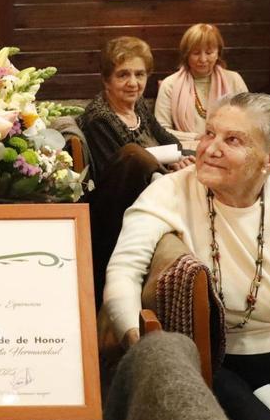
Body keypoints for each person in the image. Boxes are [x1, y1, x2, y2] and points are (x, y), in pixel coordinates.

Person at [102, 93, 270, 420]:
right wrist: (145, 351)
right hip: (207, 362)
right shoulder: (169, 192)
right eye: (209, 133)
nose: (210, 149)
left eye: (233, 140)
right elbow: (123, 271)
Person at [77, 36, 193, 308]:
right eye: (123, 75)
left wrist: (175, 161)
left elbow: (170, 142)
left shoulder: (138, 106)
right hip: (119, 212)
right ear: (106, 80)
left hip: (157, 188)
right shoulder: (100, 118)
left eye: (139, 74)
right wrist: (169, 166)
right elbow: (122, 171)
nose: (133, 83)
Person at [154, 23, 248, 141]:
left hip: (227, 148)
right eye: (196, 53)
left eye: (209, 53)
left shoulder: (234, 79)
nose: (203, 59)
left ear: (218, 53)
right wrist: (197, 138)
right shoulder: (169, 84)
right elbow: (160, 129)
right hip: (185, 151)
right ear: (186, 54)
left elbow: (248, 121)